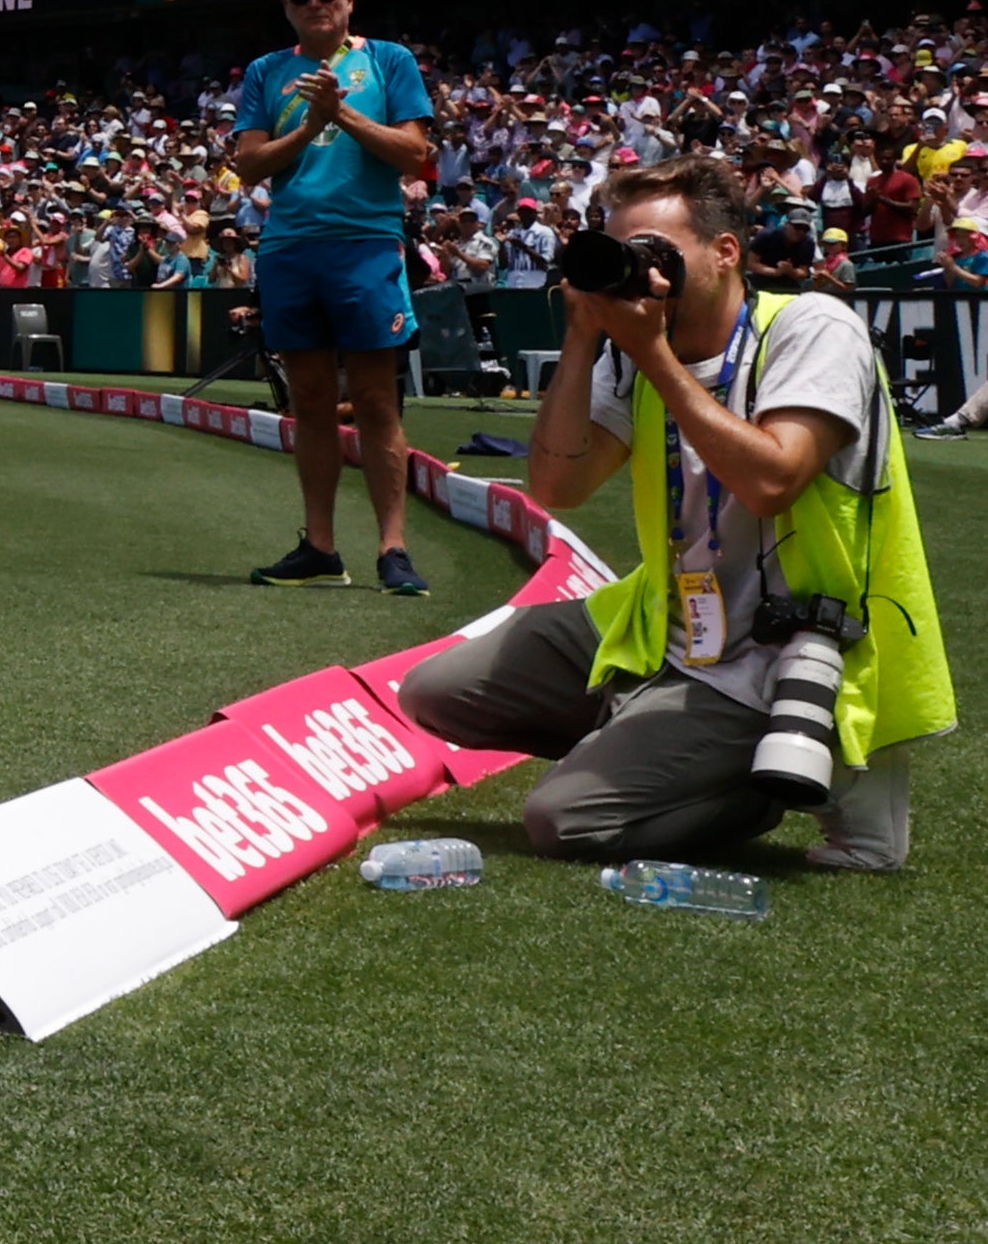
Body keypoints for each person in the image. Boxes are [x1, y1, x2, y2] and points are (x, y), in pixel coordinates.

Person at [403, 154, 947, 872]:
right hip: (669, 623)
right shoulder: (632, 346)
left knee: (560, 822)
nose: (638, 271)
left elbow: (771, 480)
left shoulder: (811, 325)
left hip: (788, 640)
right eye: (621, 251)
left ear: (725, 253)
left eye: (653, 252)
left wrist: (650, 353)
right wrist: (582, 334)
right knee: (436, 691)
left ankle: (767, 781)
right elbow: (556, 486)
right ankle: (658, 739)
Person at [226, 0, 435, 591]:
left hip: (366, 244)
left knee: (375, 398)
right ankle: (320, 546)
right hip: (290, 247)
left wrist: (339, 113)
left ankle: (392, 548)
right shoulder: (266, 71)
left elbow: (416, 153)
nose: (315, 3)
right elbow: (250, 164)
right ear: (287, 8)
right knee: (311, 400)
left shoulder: (388, 60)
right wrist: (311, 123)